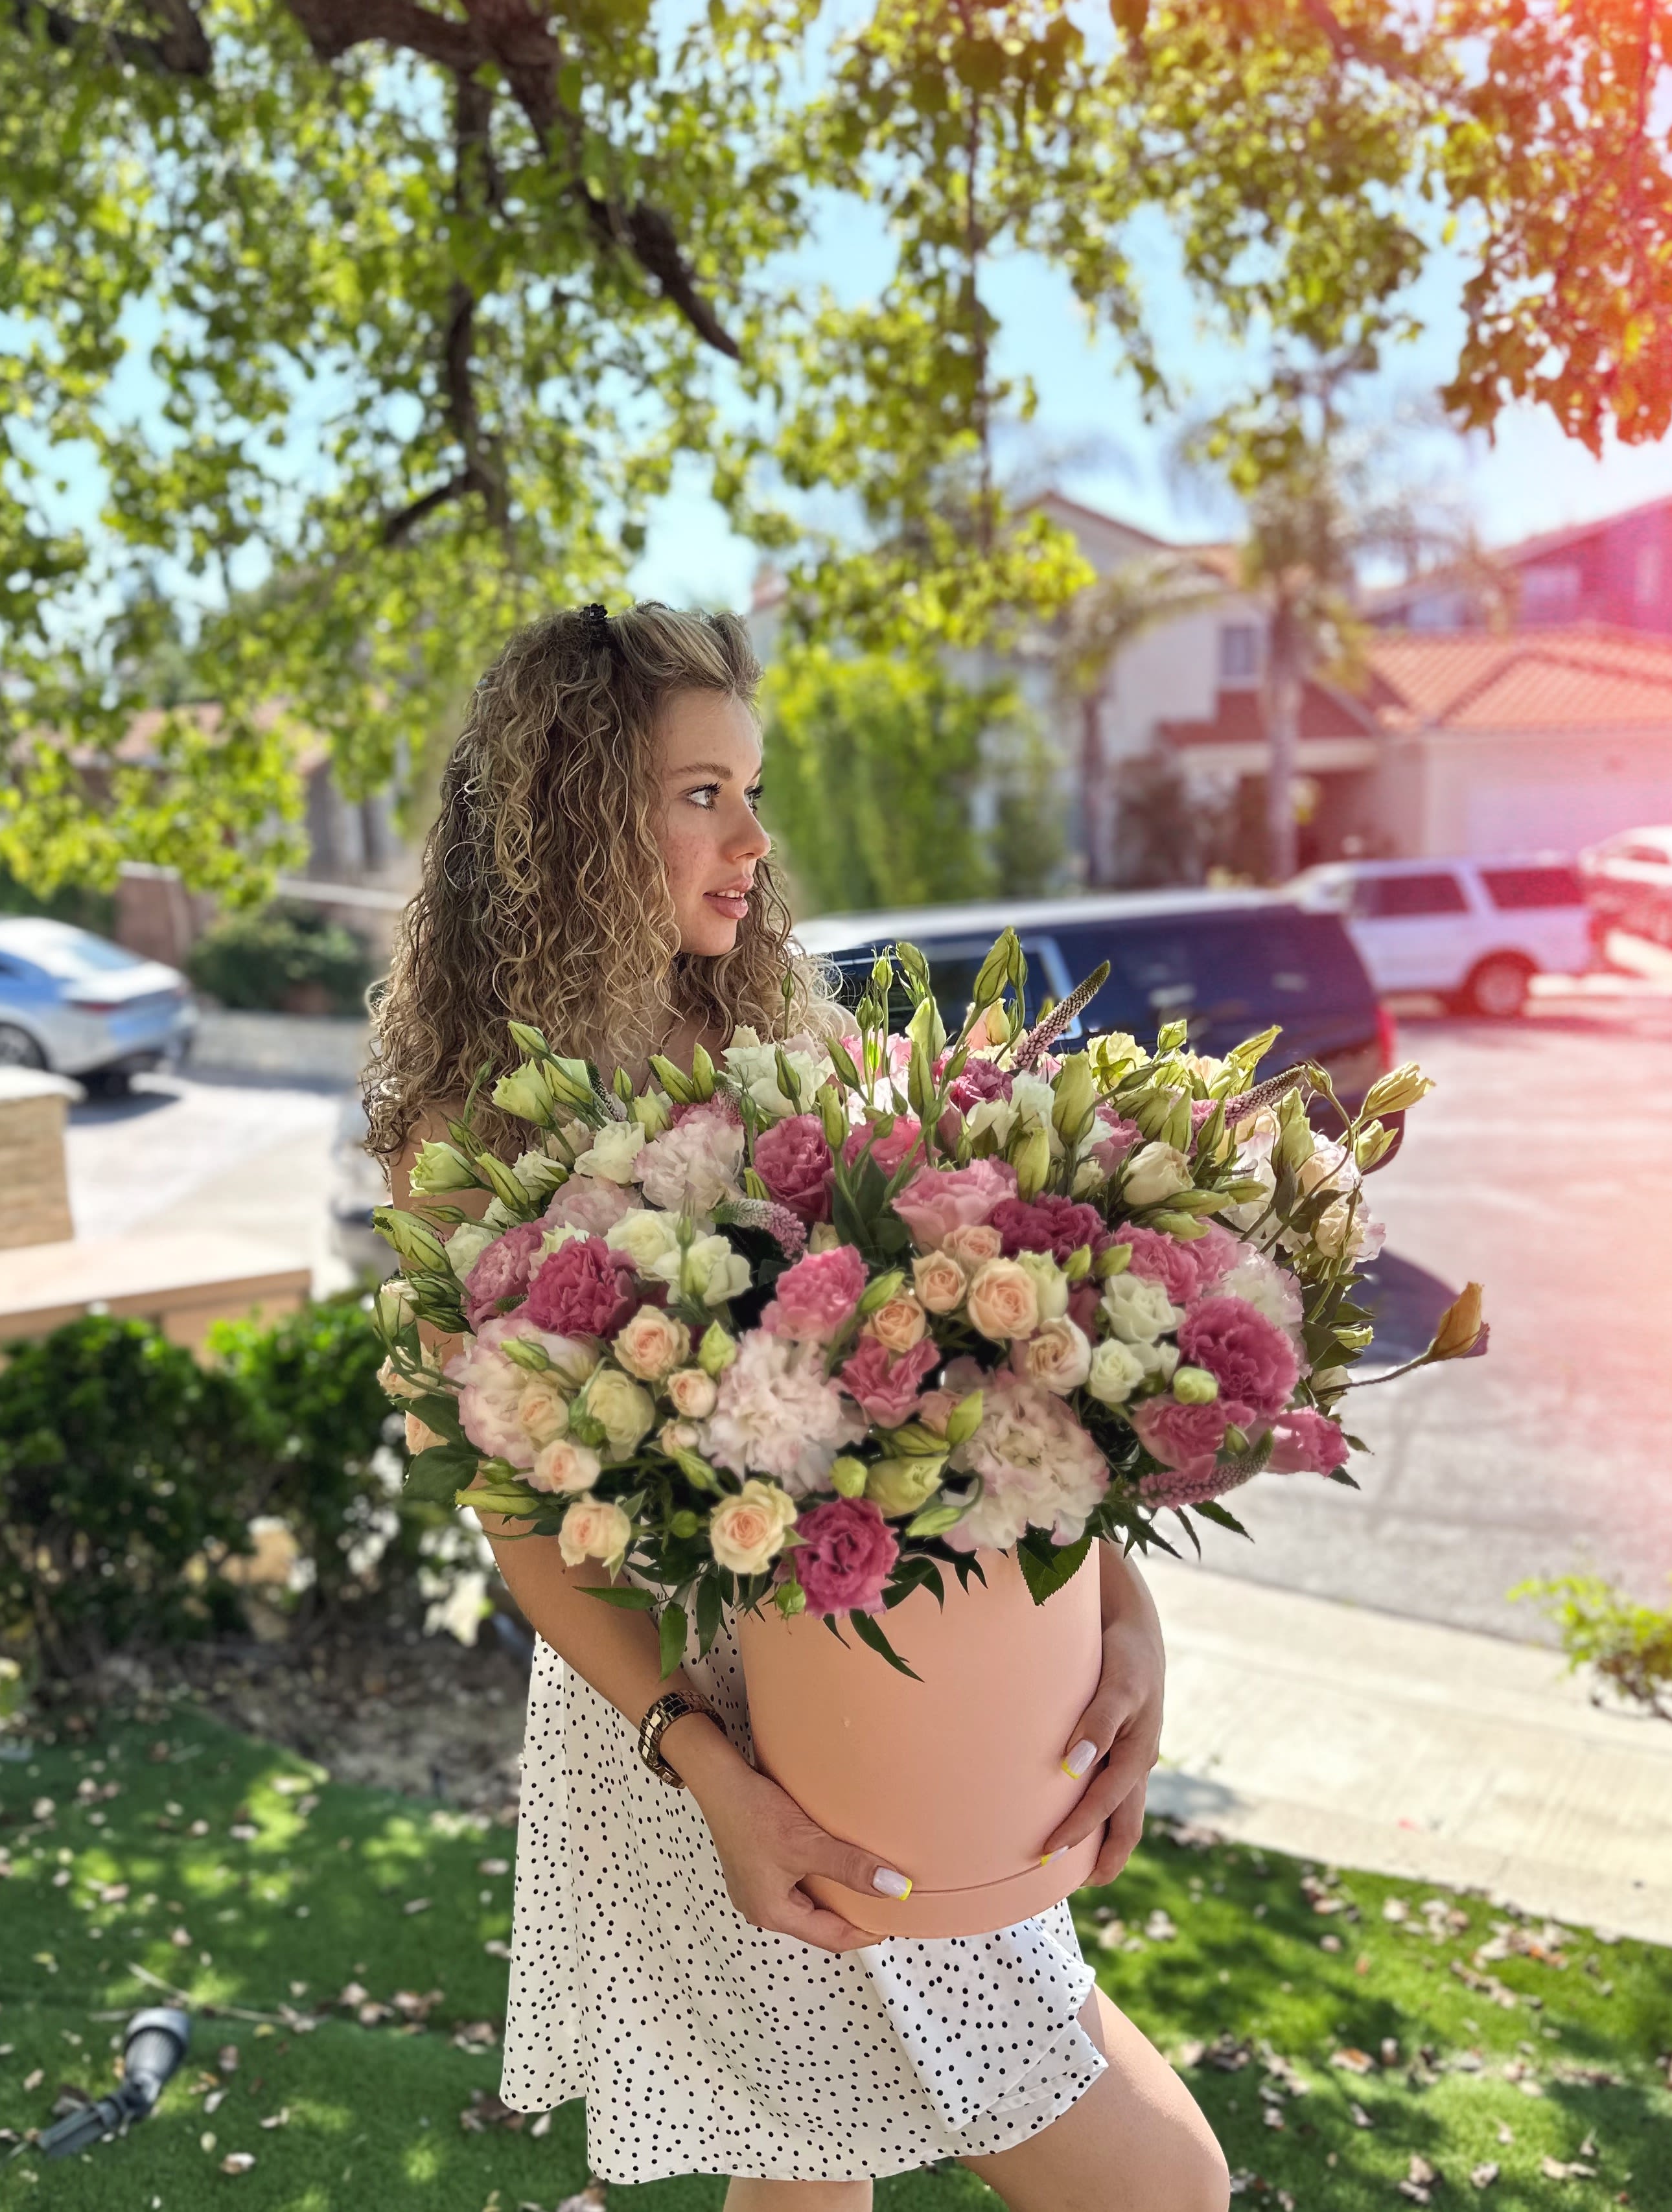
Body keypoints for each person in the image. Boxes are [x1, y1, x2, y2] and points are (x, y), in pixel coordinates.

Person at [366, 601, 1229, 2211]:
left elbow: (982, 1369)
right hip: (694, 1737)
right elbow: (515, 1526)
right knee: (1156, 2185)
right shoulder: (464, 1135)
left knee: (811, 2183)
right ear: (568, 817)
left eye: (750, 791)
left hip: (899, 1675)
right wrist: (715, 1779)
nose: (753, 839)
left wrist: (1126, 1618)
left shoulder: (785, 1034)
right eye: (701, 793)